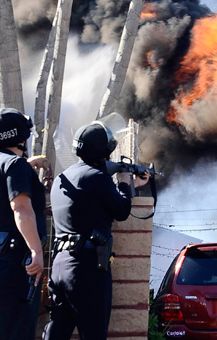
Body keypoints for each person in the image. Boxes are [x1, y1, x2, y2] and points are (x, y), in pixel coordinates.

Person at [43, 121, 149, 340]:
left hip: (60, 265)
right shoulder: (97, 177)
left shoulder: (64, 178)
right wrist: (123, 183)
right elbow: (121, 211)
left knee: (57, 331)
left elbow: (89, 205)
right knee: (93, 333)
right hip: (86, 266)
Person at [0, 108, 50, 340]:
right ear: (18, 135)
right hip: (10, 263)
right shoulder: (15, 165)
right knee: (16, 331)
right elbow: (21, 208)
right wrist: (36, 251)